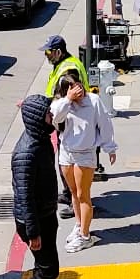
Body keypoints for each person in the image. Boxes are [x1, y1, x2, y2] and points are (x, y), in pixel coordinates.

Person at [0, 94, 69, 279]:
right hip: (35, 221)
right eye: (48, 114)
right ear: (37, 118)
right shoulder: (25, 153)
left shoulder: (41, 139)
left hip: (46, 214)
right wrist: (33, 232)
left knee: (43, 268)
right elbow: (24, 197)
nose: (52, 117)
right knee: (49, 271)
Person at [52, 71, 117, 253]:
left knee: (83, 195)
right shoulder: (61, 104)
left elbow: (105, 124)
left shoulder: (93, 101)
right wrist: (68, 100)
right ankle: (80, 225)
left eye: (77, 86)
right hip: (66, 153)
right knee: (73, 192)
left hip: (85, 154)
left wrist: (109, 147)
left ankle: (85, 235)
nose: (77, 91)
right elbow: (56, 118)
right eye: (71, 88)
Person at [41, 35, 90, 216]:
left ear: (58, 52)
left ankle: (73, 199)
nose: (46, 55)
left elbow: (68, 95)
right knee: (64, 161)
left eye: (48, 52)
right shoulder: (62, 65)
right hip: (65, 119)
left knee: (67, 163)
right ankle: (68, 192)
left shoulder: (68, 69)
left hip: (70, 122)